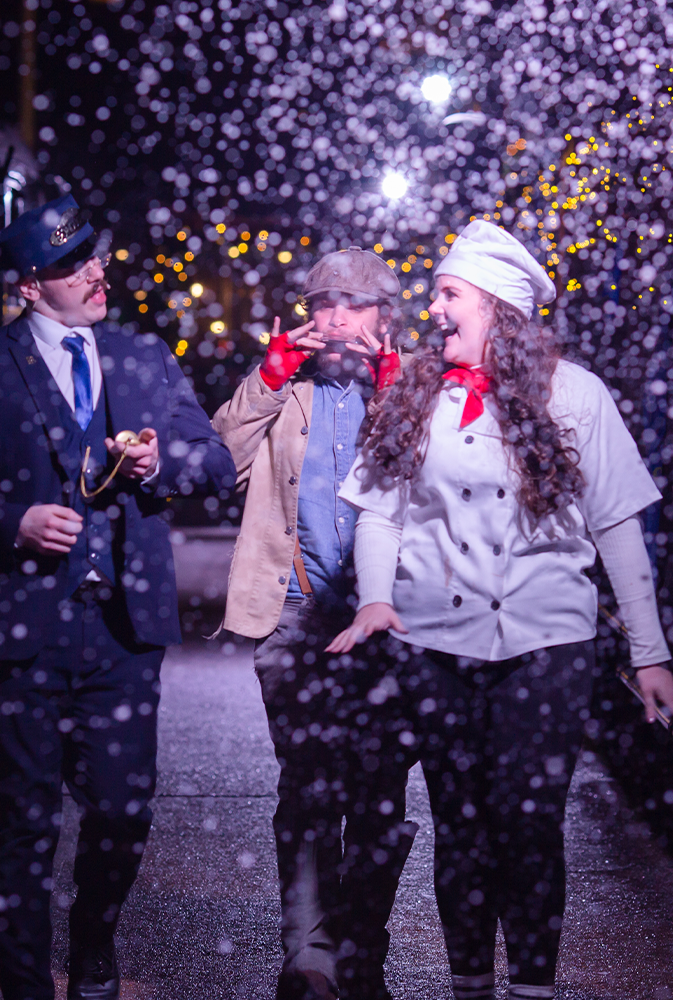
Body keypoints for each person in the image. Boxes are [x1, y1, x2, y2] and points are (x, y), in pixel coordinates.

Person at [329, 220, 673, 1000]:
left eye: (450, 295)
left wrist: (649, 653)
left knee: (529, 824)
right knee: (462, 829)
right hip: (437, 645)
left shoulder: (576, 394)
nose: (436, 309)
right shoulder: (415, 390)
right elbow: (381, 514)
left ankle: (535, 987)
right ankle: (471, 986)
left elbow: (618, 525)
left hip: (545, 646)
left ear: (496, 309)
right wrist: (377, 598)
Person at [0, 194, 235, 1000]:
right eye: (68, 266)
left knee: (123, 815)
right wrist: (10, 521)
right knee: (21, 827)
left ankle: (93, 942)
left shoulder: (142, 356)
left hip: (124, 631)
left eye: (92, 256)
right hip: (22, 633)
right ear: (28, 287)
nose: (93, 273)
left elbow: (216, 462)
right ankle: (25, 989)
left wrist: (162, 467)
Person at [212, 248, 413, 1000]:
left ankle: (363, 951)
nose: (335, 318)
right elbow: (214, 466)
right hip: (295, 618)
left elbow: (430, 479)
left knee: (379, 796)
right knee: (307, 788)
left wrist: (395, 388)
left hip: (389, 623)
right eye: (323, 303)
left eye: (354, 304)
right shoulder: (282, 388)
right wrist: (265, 377)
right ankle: (308, 958)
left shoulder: (415, 386)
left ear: (384, 317)